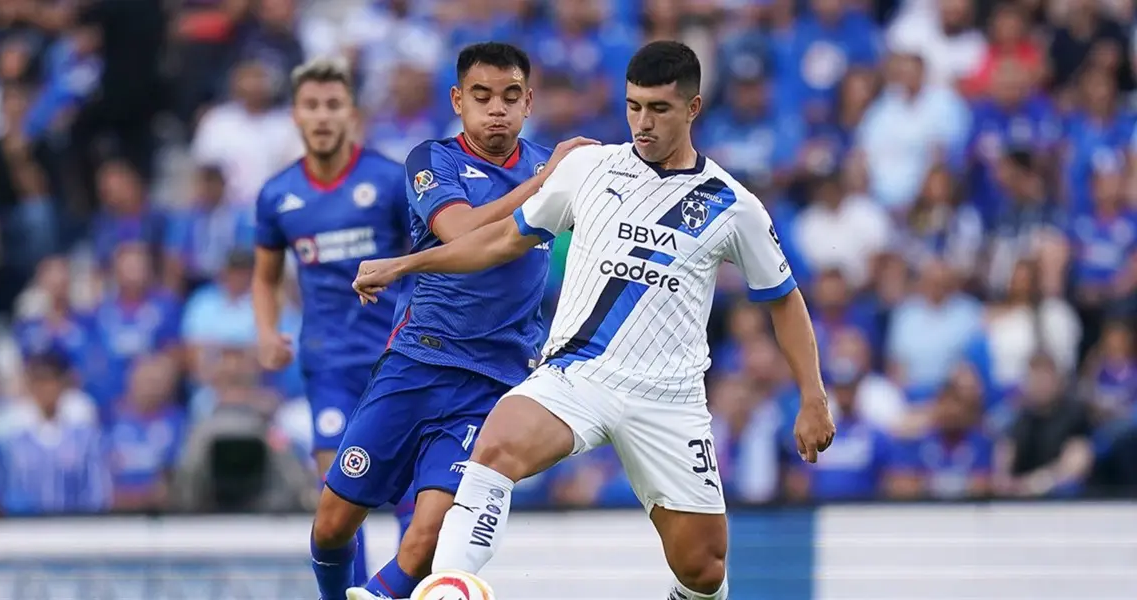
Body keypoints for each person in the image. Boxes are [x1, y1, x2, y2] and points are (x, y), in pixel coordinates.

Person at [352, 41, 836, 600]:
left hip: (668, 398)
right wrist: (407, 264)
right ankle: (452, 588)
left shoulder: (734, 204)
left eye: (659, 109)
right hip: (576, 376)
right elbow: (500, 241)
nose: (643, 122)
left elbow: (784, 299)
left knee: (703, 567)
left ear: (693, 108)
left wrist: (813, 396)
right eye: (633, 107)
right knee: (495, 446)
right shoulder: (589, 168)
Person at [313, 42, 594, 600]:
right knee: (331, 526)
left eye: (511, 97)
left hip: (492, 384)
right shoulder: (433, 159)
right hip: (417, 362)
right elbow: (463, 233)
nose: (497, 110)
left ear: (529, 102)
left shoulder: (554, 167)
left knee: (425, 542)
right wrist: (545, 183)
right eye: (483, 96)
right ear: (458, 100)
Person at [250, 57, 412, 589]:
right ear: (295, 116)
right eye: (311, 106)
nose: (322, 117)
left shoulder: (390, 181)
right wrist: (266, 330)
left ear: (352, 114)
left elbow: (428, 257)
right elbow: (265, 275)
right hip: (330, 364)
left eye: (332, 105)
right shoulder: (278, 196)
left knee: (411, 495)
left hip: (399, 359)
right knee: (340, 495)